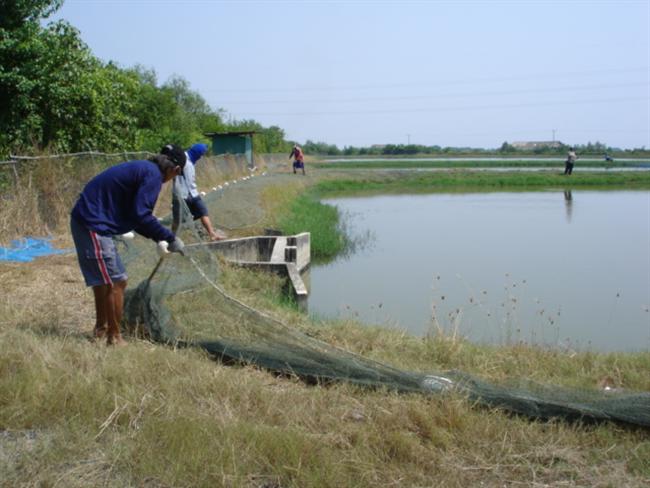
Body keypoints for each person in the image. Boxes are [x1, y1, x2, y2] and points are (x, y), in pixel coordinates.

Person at [70, 145, 187, 346]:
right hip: (93, 223)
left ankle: (102, 329)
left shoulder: (144, 169)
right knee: (117, 281)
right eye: (176, 175)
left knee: (104, 280)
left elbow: (135, 217)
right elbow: (141, 216)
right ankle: (114, 337)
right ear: (174, 170)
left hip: (89, 219)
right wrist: (169, 237)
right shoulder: (152, 177)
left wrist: (158, 237)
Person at [171, 143, 225, 241]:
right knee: (177, 221)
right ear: (197, 153)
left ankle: (212, 234)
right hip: (181, 196)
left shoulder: (191, 161)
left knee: (203, 212)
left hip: (193, 193)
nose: (201, 157)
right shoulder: (182, 159)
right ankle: (171, 239)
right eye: (201, 155)